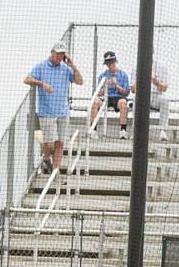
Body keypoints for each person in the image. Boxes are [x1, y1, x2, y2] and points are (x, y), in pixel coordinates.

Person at [23, 43, 83, 176]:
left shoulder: (66, 68)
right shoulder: (41, 66)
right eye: (57, 53)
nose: (59, 56)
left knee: (60, 143)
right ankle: (45, 158)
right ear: (52, 52)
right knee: (49, 144)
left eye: (62, 54)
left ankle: (55, 171)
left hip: (63, 111)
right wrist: (41, 83)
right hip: (47, 111)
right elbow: (26, 79)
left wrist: (72, 65)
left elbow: (80, 81)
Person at [89, 51, 132, 139]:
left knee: (124, 103)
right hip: (105, 97)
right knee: (95, 102)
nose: (110, 65)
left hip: (118, 98)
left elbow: (126, 93)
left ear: (116, 62)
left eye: (112, 62)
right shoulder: (102, 75)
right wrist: (106, 86)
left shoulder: (123, 75)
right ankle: (93, 129)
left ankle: (123, 130)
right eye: (108, 63)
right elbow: (98, 93)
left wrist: (117, 86)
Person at [146, 58, 171, 143]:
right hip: (143, 96)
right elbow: (133, 90)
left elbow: (164, 89)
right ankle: (136, 130)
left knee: (165, 101)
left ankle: (163, 131)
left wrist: (156, 82)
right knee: (135, 100)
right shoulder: (136, 67)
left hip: (157, 95)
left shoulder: (161, 67)